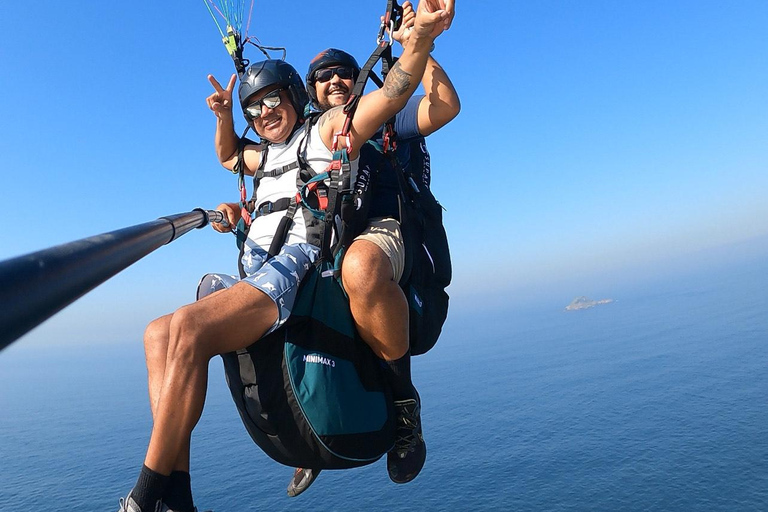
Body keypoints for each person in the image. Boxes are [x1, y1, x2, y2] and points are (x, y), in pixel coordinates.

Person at [117, 2, 453, 511]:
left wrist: (420, 41)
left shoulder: (324, 134)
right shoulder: (264, 152)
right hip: (255, 270)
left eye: (274, 100)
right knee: (157, 335)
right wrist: (228, 115)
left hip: (290, 269)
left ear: (296, 100)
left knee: (188, 328)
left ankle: (144, 496)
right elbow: (230, 156)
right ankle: (179, 493)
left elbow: (389, 95)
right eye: (257, 108)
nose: (264, 113)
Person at [286, 0, 460, 497]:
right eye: (324, 78)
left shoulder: (384, 119)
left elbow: (445, 107)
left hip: (383, 234)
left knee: (359, 267)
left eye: (343, 73)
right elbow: (247, 160)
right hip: (322, 242)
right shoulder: (305, 141)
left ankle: (404, 408)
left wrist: (417, 48)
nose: (336, 81)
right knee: (274, 296)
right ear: (311, 91)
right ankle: (315, 425)